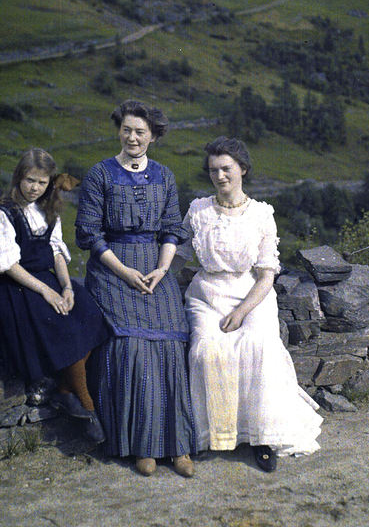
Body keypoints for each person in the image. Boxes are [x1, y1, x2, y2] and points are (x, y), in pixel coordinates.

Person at [174, 137, 322, 472]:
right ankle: (215, 433)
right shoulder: (197, 211)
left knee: (259, 347)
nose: (220, 176)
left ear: (242, 169)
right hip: (207, 293)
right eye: (213, 170)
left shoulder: (261, 214)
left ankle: (263, 437)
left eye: (227, 168)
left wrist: (241, 312)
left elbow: (266, 275)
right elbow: (179, 258)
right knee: (205, 351)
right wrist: (156, 279)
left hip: (252, 295)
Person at [75, 100, 196, 477]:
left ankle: (178, 447)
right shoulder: (100, 175)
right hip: (113, 268)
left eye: (140, 132)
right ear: (119, 131)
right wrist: (124, 272)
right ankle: (140, 446)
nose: (132, 137)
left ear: (153, 137)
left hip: (155, 269)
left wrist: (162, 269)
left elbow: (172, 227)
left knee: (172, 342)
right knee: (131, 345)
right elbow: (89, 234)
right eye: (127, 129)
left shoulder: (165, 175)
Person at [0, 148, 109, 443]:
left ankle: (65, 389)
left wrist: (65, 287)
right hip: (17, 287)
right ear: (18, 178)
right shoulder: (4, 213)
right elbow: (8, 265)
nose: (34, 188)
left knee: (89, 313)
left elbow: (56, 252)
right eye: (29, 181)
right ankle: (88, 406)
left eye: (41, 182)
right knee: (62, 324)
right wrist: (47, 292)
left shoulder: (47, 210)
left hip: (48, 281)